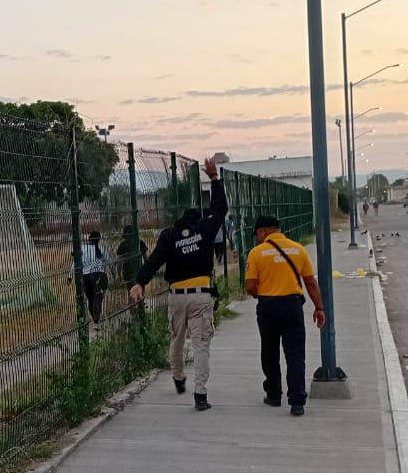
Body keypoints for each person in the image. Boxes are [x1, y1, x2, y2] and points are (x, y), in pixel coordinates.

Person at [129, 158, 226, 411]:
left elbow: (154, 260)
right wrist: (214, 179)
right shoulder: (204, 229)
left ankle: (178, 377)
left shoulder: (169, 236)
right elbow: (220, 208)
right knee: (201, 344)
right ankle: (200, 394)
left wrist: (140, 282)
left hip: (176, 296)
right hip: (200, 296)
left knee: (177, 339)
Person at [244, 215, 326, 417]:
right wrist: (319, 308)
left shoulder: (256, 253)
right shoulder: (298, 249)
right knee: (295, 353)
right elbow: (310, 283)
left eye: (257, 234)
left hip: (268, 307)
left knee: (270, 351)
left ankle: (273, 394)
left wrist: (259, 293)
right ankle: (297, 401)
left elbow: (250, 286)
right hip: (293, 306)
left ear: (263, 231)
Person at [75, 230, 109, 328]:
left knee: (90, 298)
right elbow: (109, 261)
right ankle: (98, 316)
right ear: (99, 240)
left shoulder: (82, 248)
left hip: (86, 277)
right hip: (100, 275)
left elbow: (76, 263)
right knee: (98, 297)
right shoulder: (101, 249)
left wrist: (70, 276)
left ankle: (94, 320)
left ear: (89, 239)